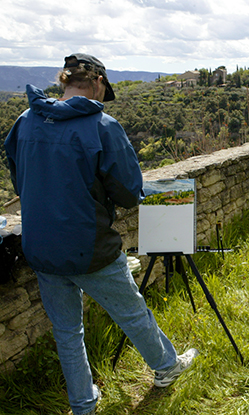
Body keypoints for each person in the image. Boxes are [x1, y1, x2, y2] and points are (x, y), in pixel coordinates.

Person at [4, 53, 199, 415]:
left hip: (41, 248)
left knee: (67, 332)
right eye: (102, 90)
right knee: (132, 312)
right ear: (97, 82)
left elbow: (19, 177)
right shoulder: (102, 126)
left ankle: (82, 404)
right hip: (88, 246)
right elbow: (128, 193)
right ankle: (166, 367)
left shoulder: (25, 122)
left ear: (66, 81)